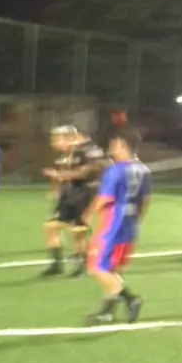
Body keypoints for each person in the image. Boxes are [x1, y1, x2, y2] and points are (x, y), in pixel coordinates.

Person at [85, 127, 151, 324]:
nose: (111, 149)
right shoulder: (144, 170)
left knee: (96, 268)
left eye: (114, 145)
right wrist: (135, 220)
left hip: (111, 227)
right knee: (111, 270)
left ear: (123, 145)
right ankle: (107, 312)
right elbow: (145, 201)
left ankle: (131, 299)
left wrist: (87, 215)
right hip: (129, 227)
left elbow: (104, 198)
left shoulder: (115, 171)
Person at [42, 125, 106, 277]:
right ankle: (57, 265)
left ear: (70, 138)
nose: (54, 144)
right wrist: (57, 188)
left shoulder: (88, 151)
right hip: (69, 195)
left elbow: (85, 173)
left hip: (86, 193)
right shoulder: (63, 155)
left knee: (77, 232)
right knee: (51, 226)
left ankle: (82, 265)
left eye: (57, 140)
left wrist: (59, 175)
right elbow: (60, 174)